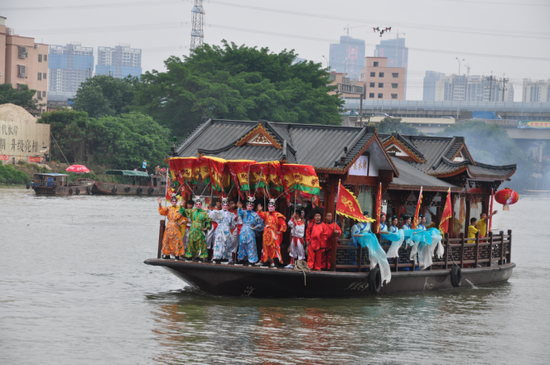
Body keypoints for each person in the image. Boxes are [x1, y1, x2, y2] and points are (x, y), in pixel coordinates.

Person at [179, 195, 212, 262]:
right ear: (195, 205)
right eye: (197, 204)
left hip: (200, 228)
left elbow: (208, 221)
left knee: (201, 242)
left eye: (199, 204)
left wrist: (206, 228)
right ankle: (189, 255)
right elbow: (184, 212)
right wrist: (181, 206)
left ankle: (201, 255)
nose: (198, 205)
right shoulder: (192, 211)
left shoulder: (204, 212)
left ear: (201, 204)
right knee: (190, 241)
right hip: (193, 228)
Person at [257, 198, 287, 267]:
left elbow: (283, 224)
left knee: (275, 247)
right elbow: (260, 214)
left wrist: (280, 231)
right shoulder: (266, 214)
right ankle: (266, 261)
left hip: (274, 233)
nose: (270, 208)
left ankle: (276, 262)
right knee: (266, 247)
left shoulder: (278, 215)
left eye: (272, 206)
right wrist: (259, 210)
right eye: (269, 206)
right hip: (266, 233)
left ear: (275, 207)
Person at [157, 195, 186, 260]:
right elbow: (162, 212)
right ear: (171, 201)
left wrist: (180, 223)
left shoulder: (179, 208)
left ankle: (177, 255)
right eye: (173, 201)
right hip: (169, 226)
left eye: (175, 201)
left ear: (177, 201)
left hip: (176, 226)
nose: (174, 202)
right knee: (166, 240)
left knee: (177, 240)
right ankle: (167, 254)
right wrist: (160, 204)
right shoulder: (168, 208)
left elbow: (185, 217)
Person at [236, 196, 263, 265]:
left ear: (253, 207)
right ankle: (240, 259)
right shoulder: (244, 212)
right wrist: (239, 208)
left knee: (251, 245)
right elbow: (240, 213)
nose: (249, 207)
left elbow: (261, 223)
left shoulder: (255, 214)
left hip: (251, 231)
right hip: (243, 230)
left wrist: (255, 227)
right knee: (241, 245)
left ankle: (252, 260)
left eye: (251, 206)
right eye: (248, 205)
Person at [210, 197, 236, 264]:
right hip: (219, 229)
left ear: (228, 206)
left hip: (227, 230)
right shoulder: (217, 212)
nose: (225, 206)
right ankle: (217, 257)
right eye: (223, 205)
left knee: (226, 243)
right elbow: (211, 216)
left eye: (226, 205)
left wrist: (228, 228)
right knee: (218, 243)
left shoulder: (231, 214)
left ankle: (225, 258)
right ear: (221, 206)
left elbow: (233, 225)